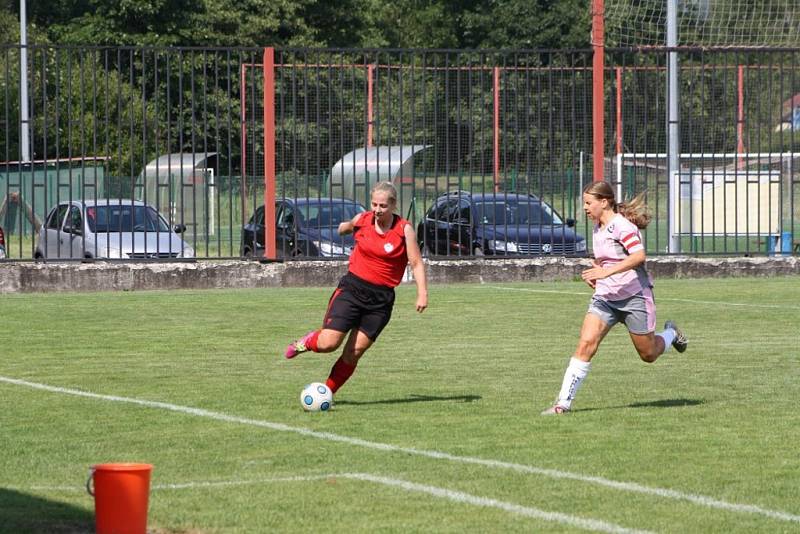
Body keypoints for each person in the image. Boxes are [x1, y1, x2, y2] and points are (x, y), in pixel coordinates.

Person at [542, 181, 688, 415]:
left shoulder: (623, 227)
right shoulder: (597, 228)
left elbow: (638, 256)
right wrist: (595, 272)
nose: (585, 209)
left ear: (604, 202)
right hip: (606, 298)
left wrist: (605, 272)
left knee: (648, 354)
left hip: (634, 297)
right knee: (585, 344)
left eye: (589, 203)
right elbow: (606, 260)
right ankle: (563, 404)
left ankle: (671, 334)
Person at [283, 181, 428, 397]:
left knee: (354, 352)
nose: (377, 210)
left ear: (394, 205)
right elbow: (348, 226)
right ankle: (306, 342)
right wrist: (343, 228)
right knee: (328, 344)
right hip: (352, 290)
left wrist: (422, 293)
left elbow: (416, 263)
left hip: (380, 301)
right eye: (374, 205)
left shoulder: (403, 230)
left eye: (383, 206)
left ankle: (327, 393)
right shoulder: (363, 220)